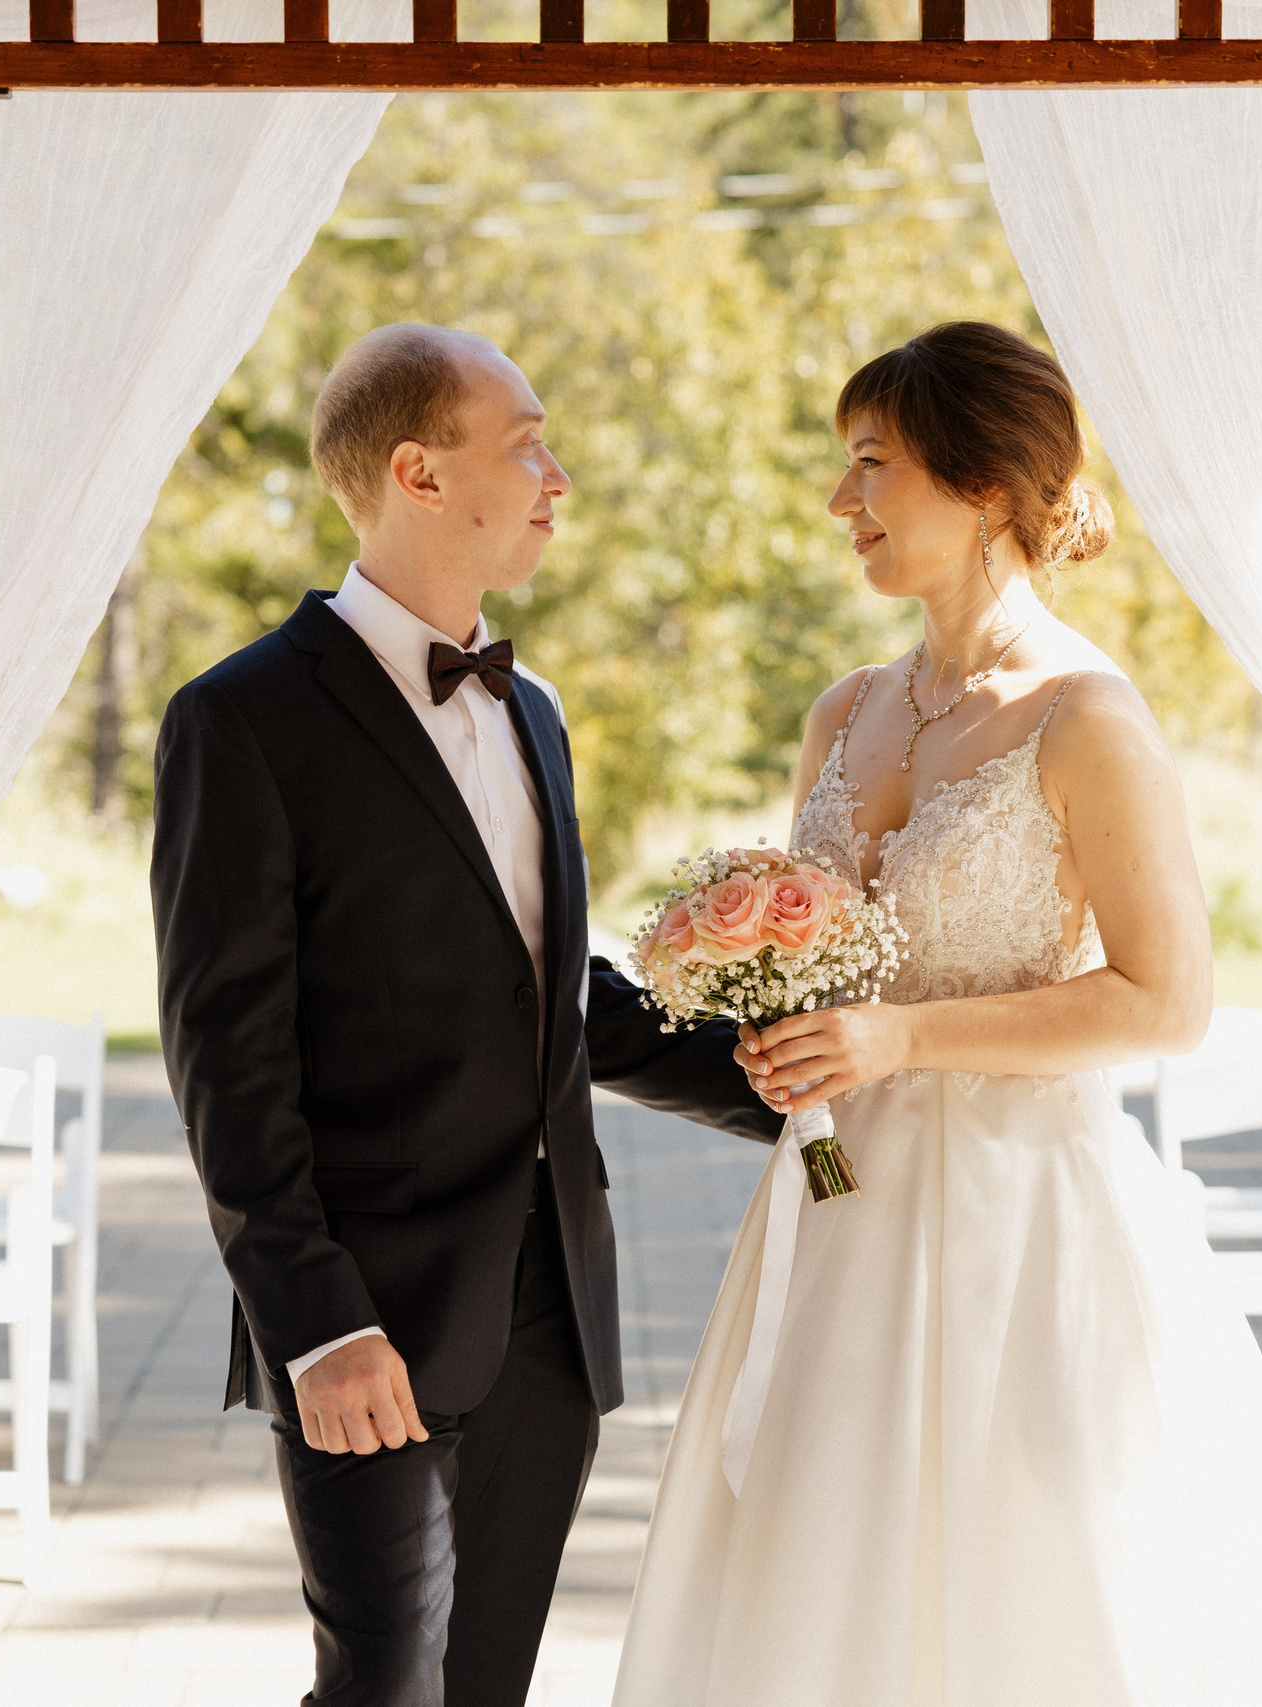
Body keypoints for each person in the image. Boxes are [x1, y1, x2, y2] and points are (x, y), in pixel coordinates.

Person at [611, 321, 1262, 1705]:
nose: (839, 501)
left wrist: (905, 1038)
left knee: (1031, 1585)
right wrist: (765, 1005)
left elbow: (1167, 1001)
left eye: (873, 465)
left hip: (1019, 1220)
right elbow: (828, 955)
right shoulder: (844, 711)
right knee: (817, 1571)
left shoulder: (1085, 718)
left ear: (989, 489)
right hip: (836, 1201)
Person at [150, 322, 781, 1707]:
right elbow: (225, 1063)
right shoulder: (242, 720)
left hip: (552, 1301)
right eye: (526, 443)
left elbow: (562, 1005)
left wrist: (791, 1082)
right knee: (384, 1684)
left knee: (485, 1686)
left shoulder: (535, 710)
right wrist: (310, 1323)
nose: (557, 476)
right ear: (418, 473)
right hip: (367, 1310)